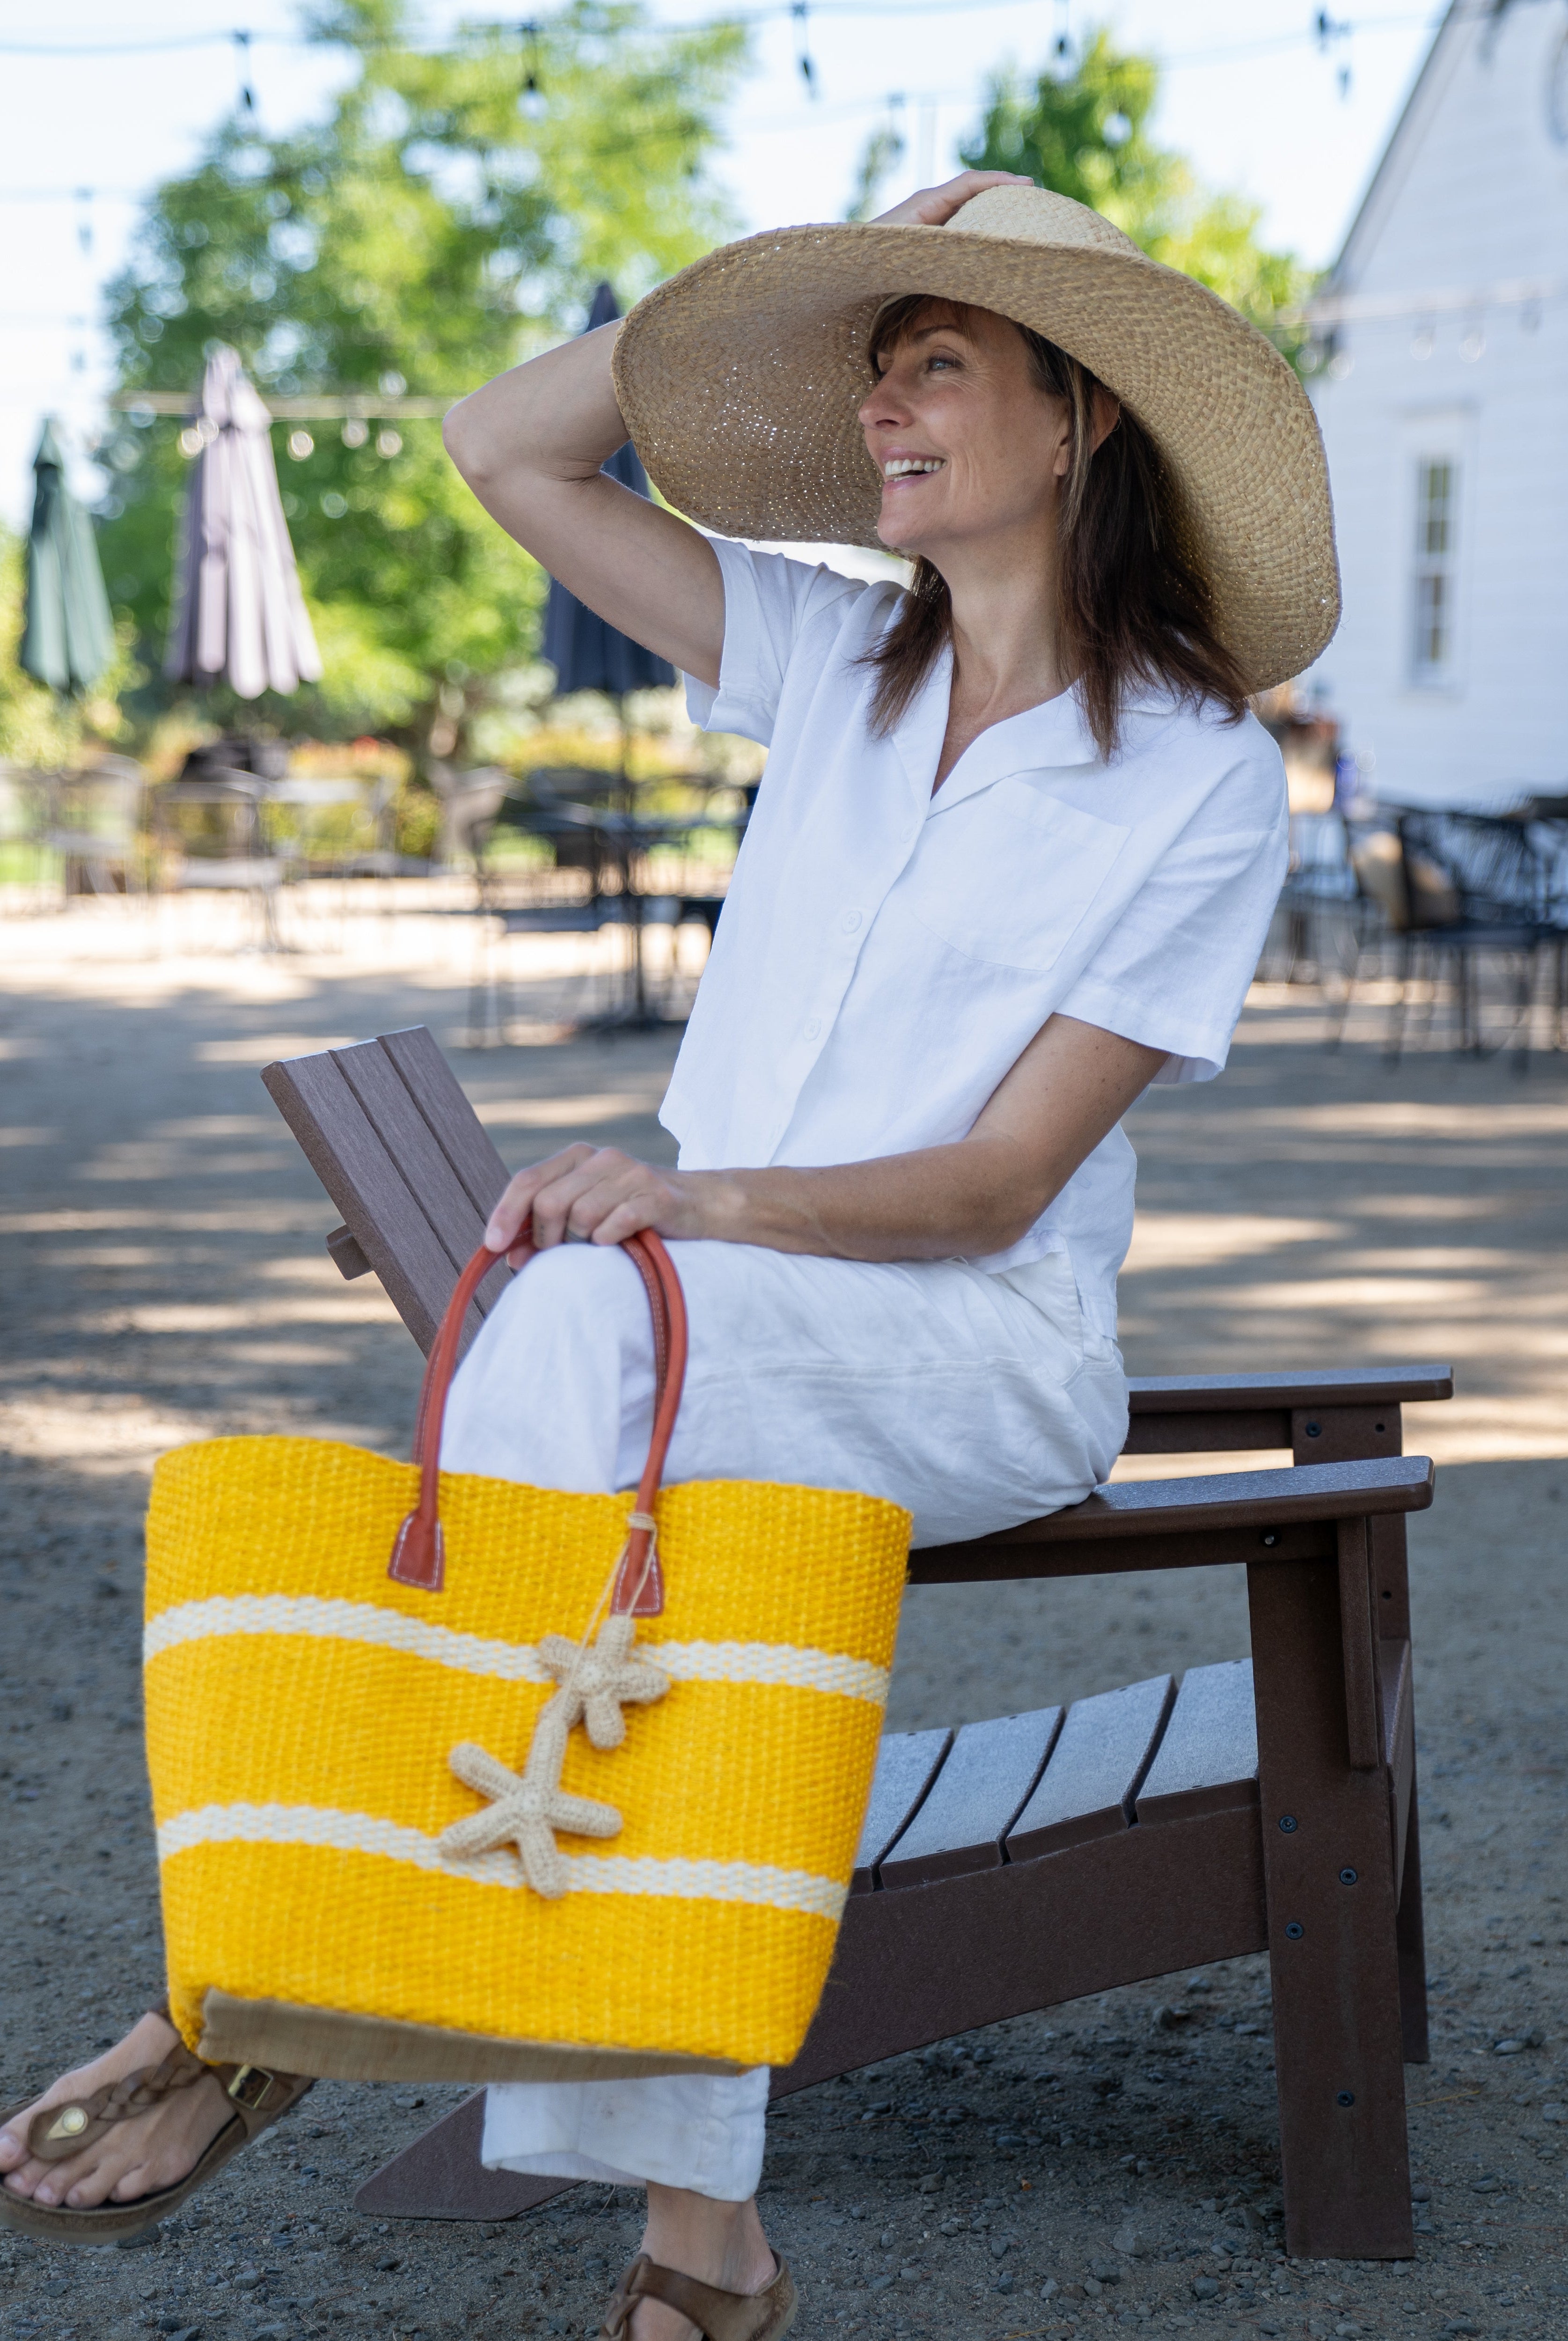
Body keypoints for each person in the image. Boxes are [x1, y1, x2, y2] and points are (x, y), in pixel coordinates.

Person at [1, 173, 1336, 2341]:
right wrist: (774, 279)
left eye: (938, 361)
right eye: (872, 362)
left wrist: (691, 1199)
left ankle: (281, 1993)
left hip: (972, 1349)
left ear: (1081, 413)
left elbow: (1002, 1183)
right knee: (598, 1383)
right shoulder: (828, 661)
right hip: (687, 1329)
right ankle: (693, 2250)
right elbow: (496, 447)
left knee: (586, 1336)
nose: (882, 407)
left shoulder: (1191, 777)